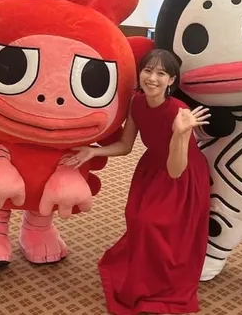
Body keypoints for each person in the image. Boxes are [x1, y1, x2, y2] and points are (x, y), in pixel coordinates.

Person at [64, 49, 211, 315]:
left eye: (161, 73)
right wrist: (94, 151)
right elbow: (125, 146)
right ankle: (145, 270)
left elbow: (176, 170)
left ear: (171, 80)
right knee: (135, 216)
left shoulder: (179, 111)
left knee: (151, 222)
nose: (152, 78)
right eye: (148, 70)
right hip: (151, 167)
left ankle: (159, 281)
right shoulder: (136, 102)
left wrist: (181, 133)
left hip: (182, 172)